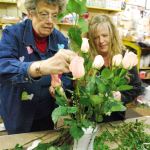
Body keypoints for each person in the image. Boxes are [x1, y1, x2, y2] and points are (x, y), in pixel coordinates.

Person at [0, 0, 77, 134]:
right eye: (43, 14)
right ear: (31, 14)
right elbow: (3, 66)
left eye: (54, 15)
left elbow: (67, 75)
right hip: (18, 113)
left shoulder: (60, 40)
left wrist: (60, 87)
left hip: (47, 113)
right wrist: (40, 67)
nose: (50, 21)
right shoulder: (13, 35)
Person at [88, 14, 144, 121]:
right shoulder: (88, 59)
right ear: (91, 39)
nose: (101, 41)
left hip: (116, 119)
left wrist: (121, 97)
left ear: (112, 35)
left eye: (105, 35)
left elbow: (137, 87)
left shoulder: (125, 58)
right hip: (90, 120)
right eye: (96, 37)